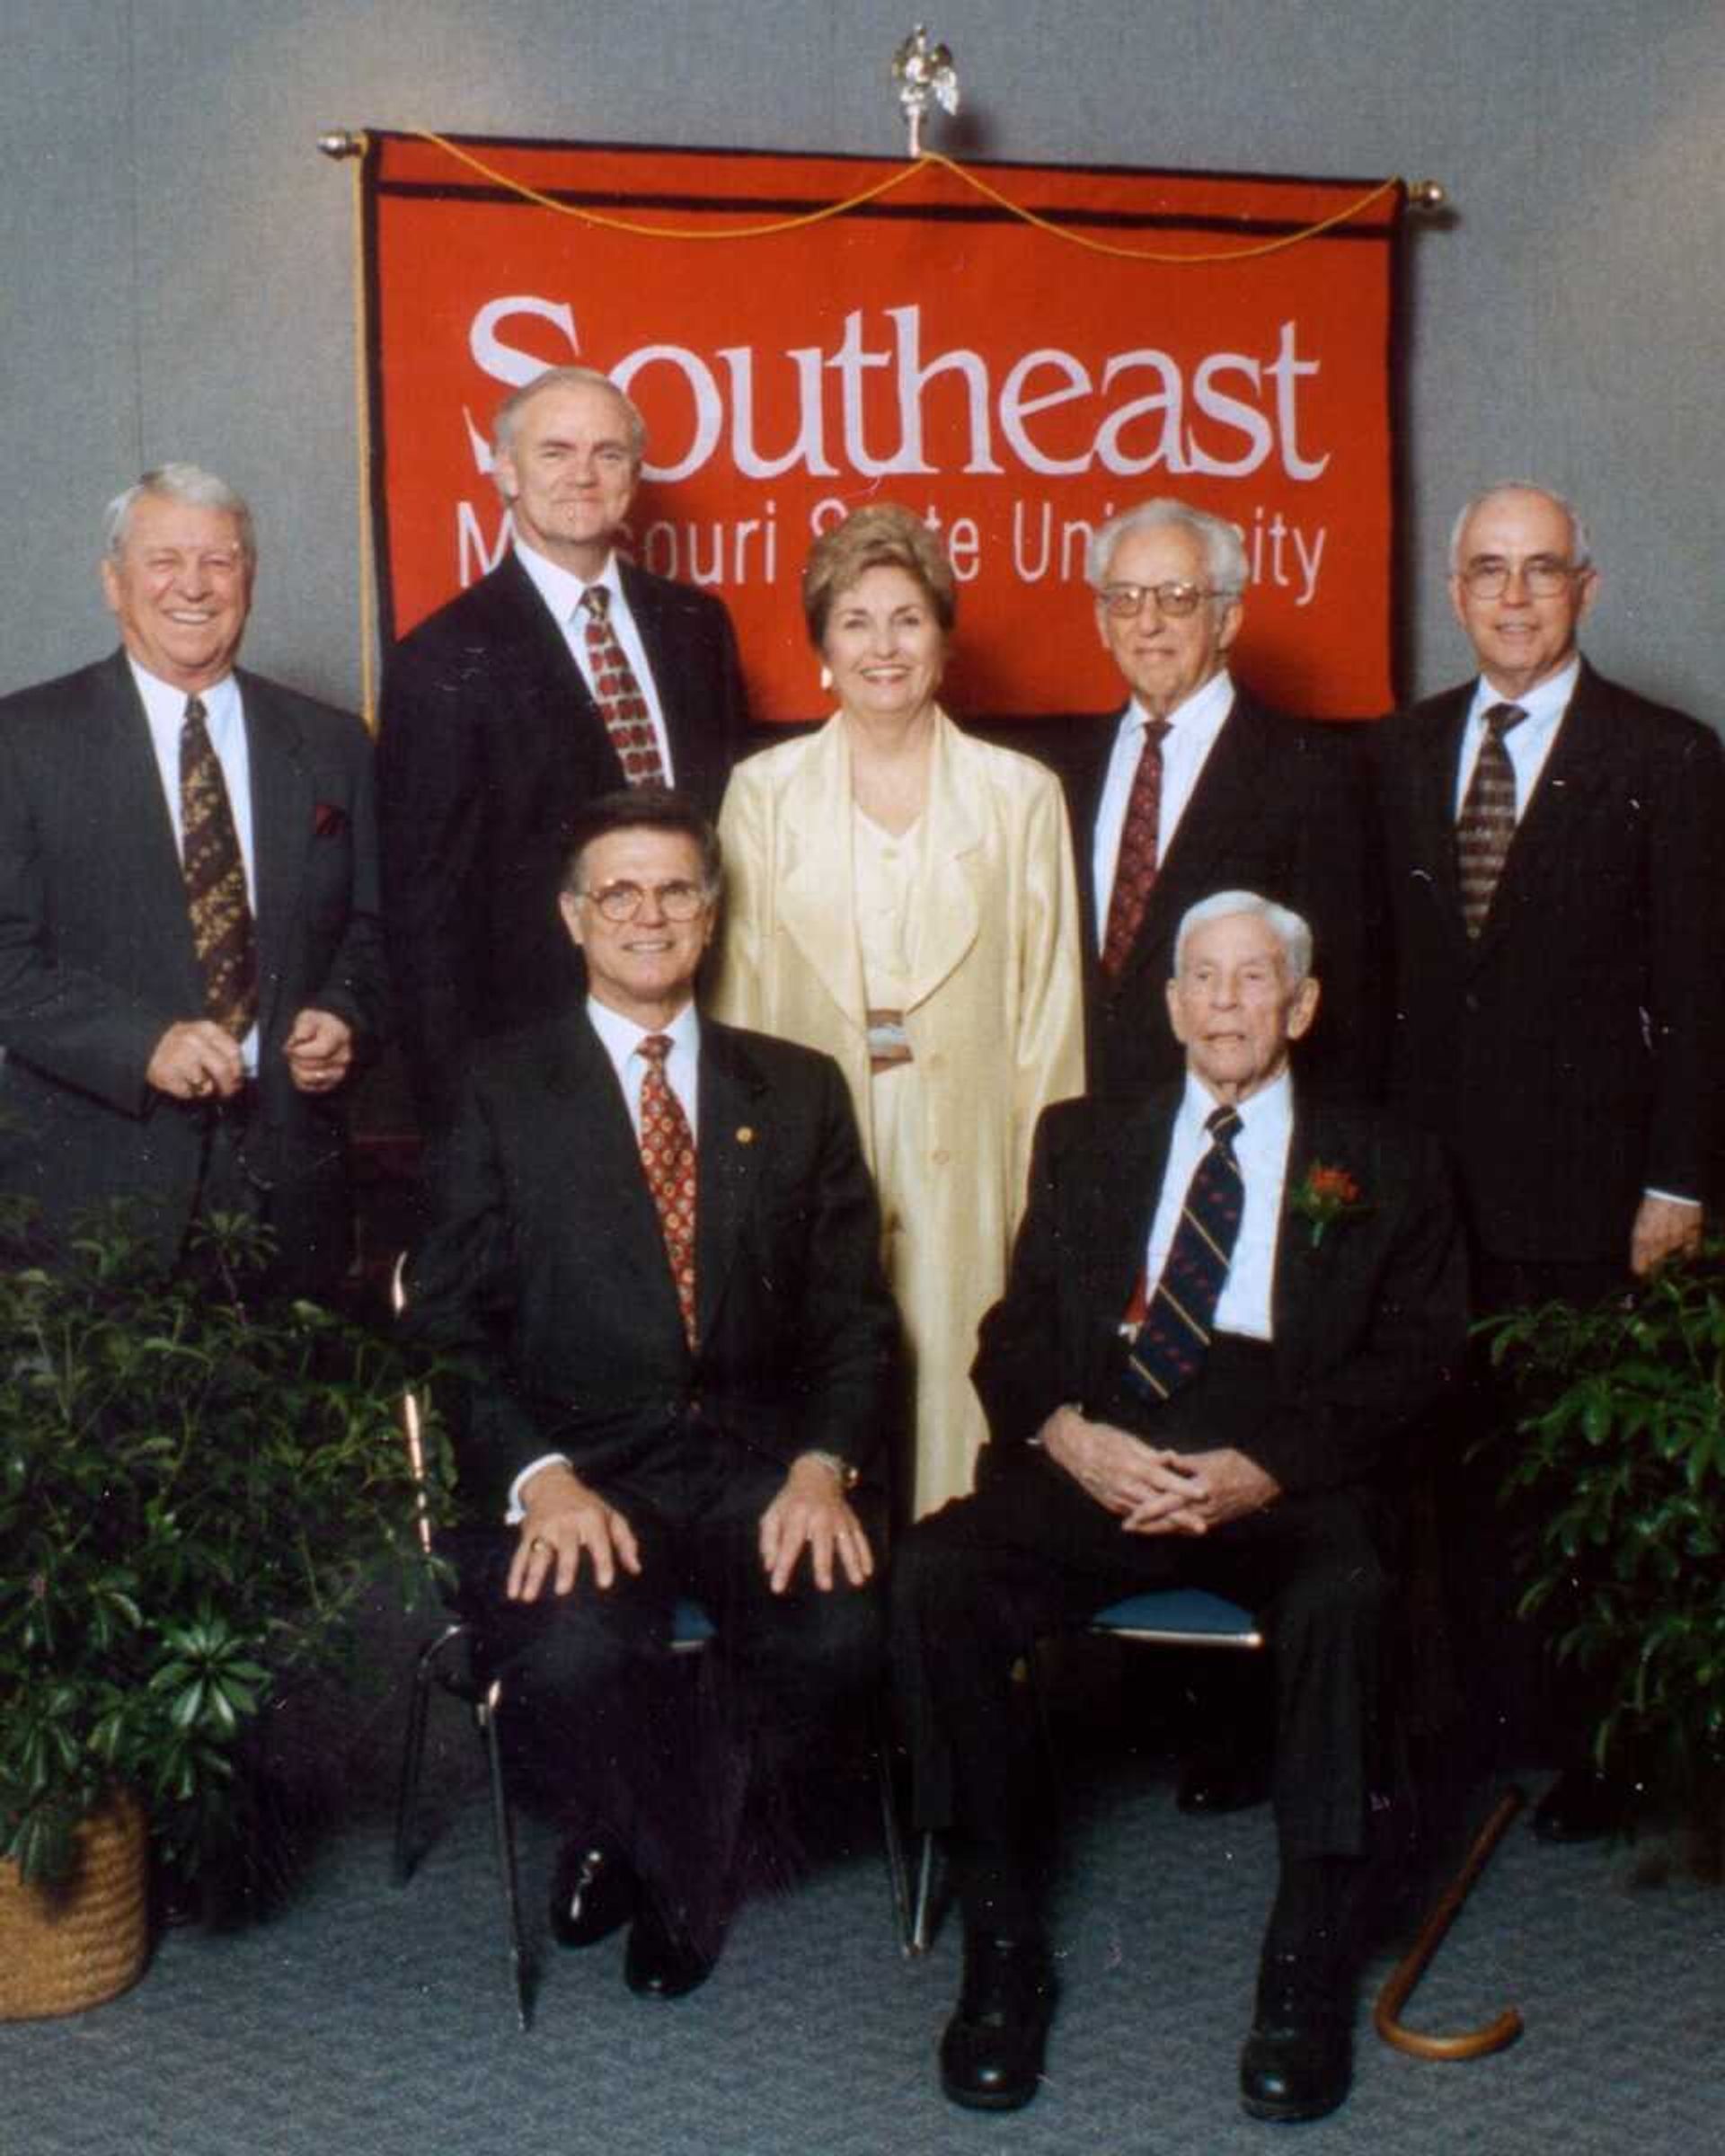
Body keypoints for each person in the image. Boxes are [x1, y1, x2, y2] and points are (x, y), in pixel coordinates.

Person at [892, 892, 1464, 2123]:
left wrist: (1265, 1465)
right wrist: (1068, 1435)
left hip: (1283, 1468)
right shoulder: (1086, 1141)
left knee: (1348, 1595)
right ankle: (1001, 1950)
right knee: (940, 1574)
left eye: (1254, 980)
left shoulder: (1387, 1156)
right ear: (1170, 1006)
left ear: (1301, 1006)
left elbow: (1419, 1361)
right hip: (1111, 1445)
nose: (1224, 1003)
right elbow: (1017, 1335)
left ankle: (1305, 1967)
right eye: (1203, 979)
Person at [403, 788, 898, 1999]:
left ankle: (655, 1845)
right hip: (580, 1470)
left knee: (849, 1631)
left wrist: (822, 1466)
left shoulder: (799, 1088)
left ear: (713, 914)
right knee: (572, 1655)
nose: (648, 914)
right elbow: (448, 1327)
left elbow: (854, 1317)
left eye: (675, 889)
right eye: (618, 892)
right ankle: (644, 1847)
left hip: (747, 1469)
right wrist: (539, 1479)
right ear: (574, 918)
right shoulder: (499, 1088)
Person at [1376, 480, 1725, 1837]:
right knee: (1446, 1470)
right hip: (1429, 1198)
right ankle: (1468, 1725)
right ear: (1453, 593)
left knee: (1575, 1480)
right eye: (1487, 572)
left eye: (1541, 571)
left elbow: (1704, 998)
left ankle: (1596, 1751)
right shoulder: (1399, 756)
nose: (1513, 597)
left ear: (1588, 586)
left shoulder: (1669, 759)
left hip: (1596, 1198)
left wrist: (1680, 1184)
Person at [710, 502, 1084, 1518]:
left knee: (961, 1430)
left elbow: (1051, 1022)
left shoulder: (1021, 796)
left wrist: (1041, 1207)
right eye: (856, 621)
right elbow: (736, 1014)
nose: (884, 646)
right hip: (812, 1150)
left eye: (909, 619)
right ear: (821, 649)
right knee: (822, 1413)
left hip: (969, 1152)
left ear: (946, 642)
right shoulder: (762, 795)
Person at [0, 464, 386, 1297]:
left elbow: (375, 929)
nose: (194, 587)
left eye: (219, 561)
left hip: (293, 1192)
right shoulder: (21, 742)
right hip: (96, 1197)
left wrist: (346, 1012)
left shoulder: (330, 744)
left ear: (250, 577)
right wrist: (143, 1044)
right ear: (114, 582)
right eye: (164, 560)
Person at [377, 364, 748, 1134]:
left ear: (634, 478)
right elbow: (425, 918)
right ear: (504, 470)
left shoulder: (697, 628)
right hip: (538, 1076)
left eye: (608, 454)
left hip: (704, 1041)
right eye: (555, 452)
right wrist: (463, 1124)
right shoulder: (441, 659)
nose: (583, 474)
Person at [1065, 498, 1378, 1102]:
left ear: (1228, 618)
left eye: (1177, 597)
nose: (1147, 622)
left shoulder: (1313, 772)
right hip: (1083, 1137)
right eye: (1125, 598)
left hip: (1234, 1136)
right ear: (1103, 623)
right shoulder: (1062, 772)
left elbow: (1350, 1005)